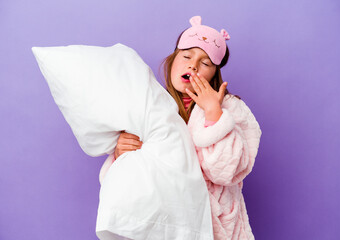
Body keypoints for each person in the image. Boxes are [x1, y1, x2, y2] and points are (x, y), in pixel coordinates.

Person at [100, 16, 262, 240]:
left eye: (205, 63)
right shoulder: (151, 106)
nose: (193, 65)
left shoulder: (230, 108)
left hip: (213, 224)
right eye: (186, 56)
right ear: (173, 59)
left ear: (214, 74)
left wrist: (214, 113)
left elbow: (227, 171)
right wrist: (120, 153)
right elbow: (131, 178)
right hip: (165, 221)